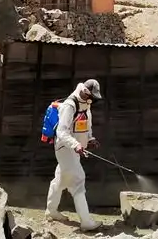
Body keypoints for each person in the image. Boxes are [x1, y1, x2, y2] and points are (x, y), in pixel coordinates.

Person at [45, 79, 103, 231]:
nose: (93, 100)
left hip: (75, 149)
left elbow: (86, 125)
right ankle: (86, 222)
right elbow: (61, 132)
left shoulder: (86, 105)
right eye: (92, 96)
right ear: (85, 92)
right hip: (65, 148)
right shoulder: (70, 105)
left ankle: (51, 211)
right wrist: (76, 145)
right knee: (78, 180)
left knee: (60, 179)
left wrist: (90, 139)